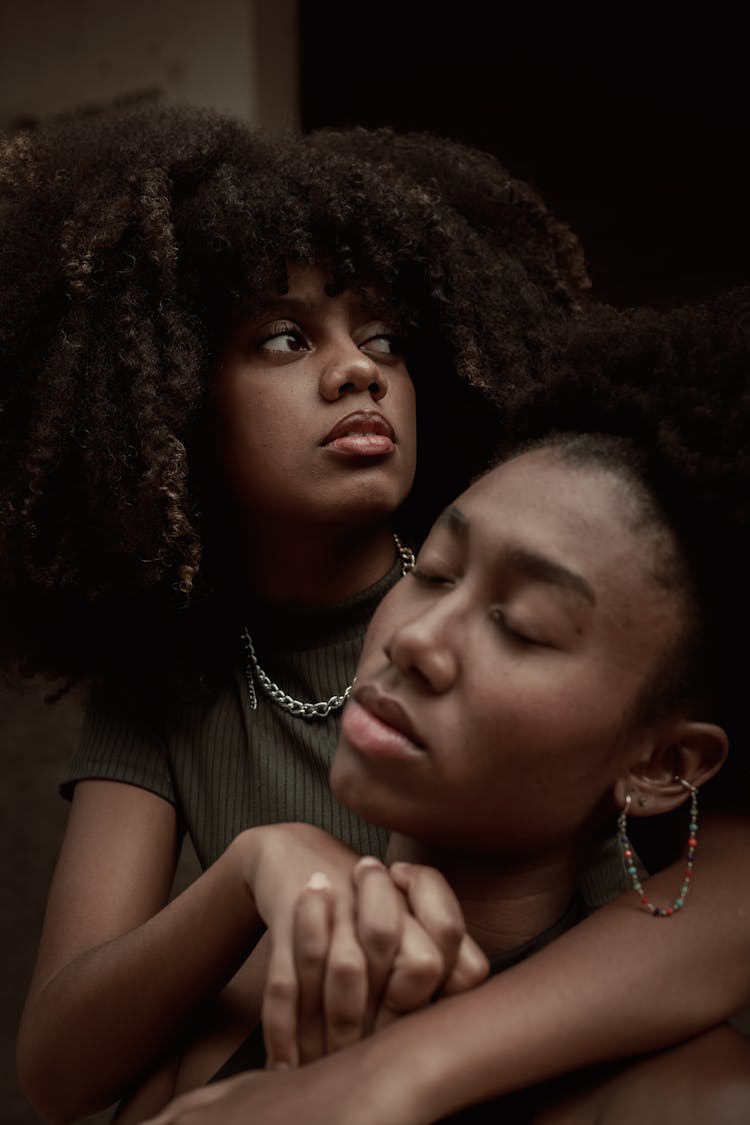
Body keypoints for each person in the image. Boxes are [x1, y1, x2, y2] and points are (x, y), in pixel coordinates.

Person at [5, 104, 750, 1122]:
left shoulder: (602, 646)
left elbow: (713, 904)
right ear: (175, 399)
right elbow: (59, 1066)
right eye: (281, 338)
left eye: (386, 337)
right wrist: (250, 869)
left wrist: (394, 1073)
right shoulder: (173, 676)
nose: (357, 368)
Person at [138, 288, 750, 1123]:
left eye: (522, 626)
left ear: (660, 763)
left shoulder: (700, 1099)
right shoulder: (258, 993)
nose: (417, 639)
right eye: (430, 572)